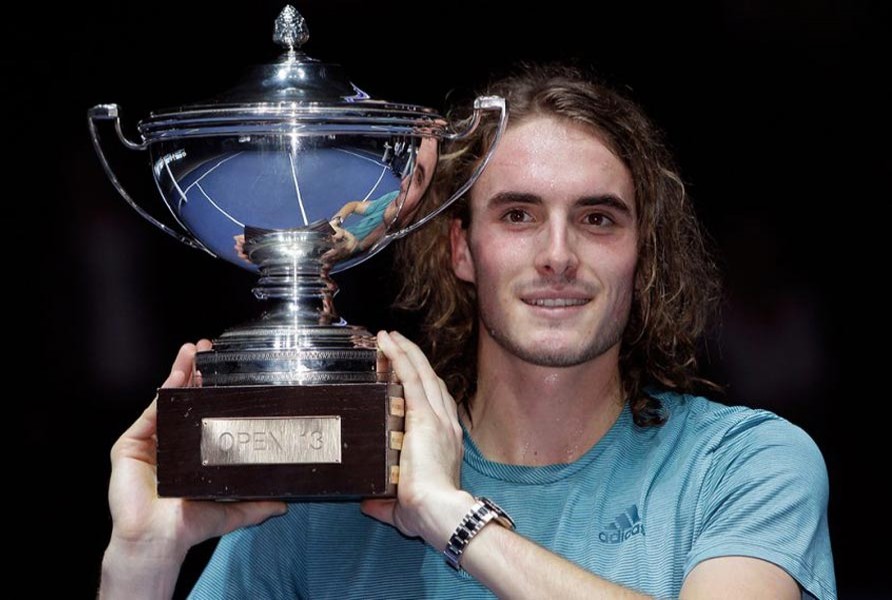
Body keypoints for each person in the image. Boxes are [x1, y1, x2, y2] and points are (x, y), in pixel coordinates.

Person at [100, 63, 836, 599]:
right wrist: (139, 561)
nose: (557, 255)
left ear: (641, 252)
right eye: (517, 215)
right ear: (461, 249)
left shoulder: (743, 466)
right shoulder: (325, 483)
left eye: (597, 218)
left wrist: (451, 517)